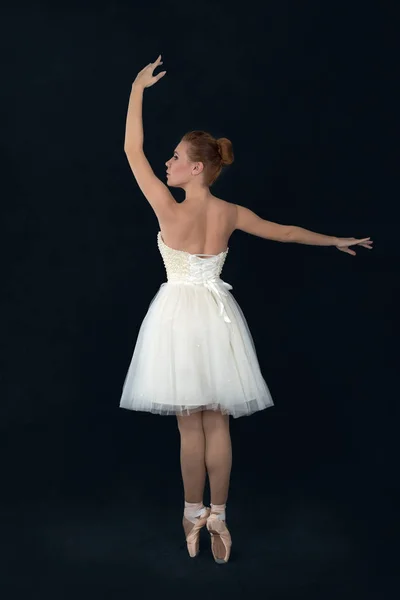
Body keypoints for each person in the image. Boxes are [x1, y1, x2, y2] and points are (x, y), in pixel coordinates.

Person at [119, 55, 373, 564]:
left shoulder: (168, 207)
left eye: (174, 157)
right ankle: (220, 514)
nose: (166, 163)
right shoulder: (229, 212)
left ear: (195, 168)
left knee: (190, 426)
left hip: (177, 318)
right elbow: (284, 232)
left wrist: (136, 89)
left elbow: (131, 149)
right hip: (218, 318)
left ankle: (192, 516)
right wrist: (334, 241)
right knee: (220, 425)